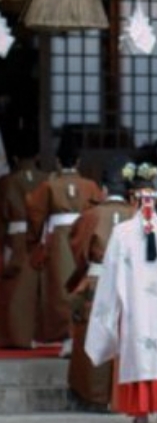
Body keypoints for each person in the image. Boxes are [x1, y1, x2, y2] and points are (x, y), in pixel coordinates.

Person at [85, 162, 157, 423]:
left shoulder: (122, 233)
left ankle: (141, 411)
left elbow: (109, 277)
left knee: (137, 349)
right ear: (156, 197)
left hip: (135, 303)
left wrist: (109, 309)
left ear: (133, 198)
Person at [65, 159, 133, 409]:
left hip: (97, 279)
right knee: (125, 337)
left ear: (103, 190)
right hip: (129, 283)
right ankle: (125, 397)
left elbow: (78, 249)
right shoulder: (135, 215)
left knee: (92, 335)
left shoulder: (91, 215)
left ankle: (91, 396)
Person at [26, 136, 102, 346]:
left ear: (58, 162)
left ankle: (56, 333)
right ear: (78, 162)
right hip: (84, 236)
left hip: (59, 238)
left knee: (57, 286)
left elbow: (34, 212)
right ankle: (78, 330)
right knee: (80, 282)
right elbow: (100, 213)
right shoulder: (90, 186)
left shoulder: (49, 185)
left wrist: (33, 241)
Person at [0, 130, 48, 348]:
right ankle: (39, 335)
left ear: (15, 158)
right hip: (41, 237)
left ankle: (15, 335)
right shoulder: (47, 180)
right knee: (41, 288)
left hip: (16, 238)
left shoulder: (7, 182)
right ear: (38, 156)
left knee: (13, 289)